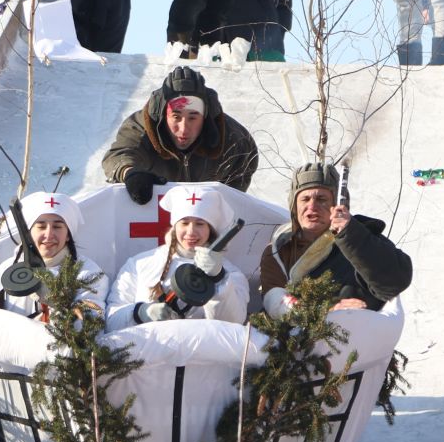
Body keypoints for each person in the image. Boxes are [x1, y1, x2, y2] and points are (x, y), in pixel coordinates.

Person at [257, 164, 413, 315]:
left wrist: (350, 234)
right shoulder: (278, 250)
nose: (312, 206)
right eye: (305, 199)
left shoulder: (358, 236)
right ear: (294, 206)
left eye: (321, 199)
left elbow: (395, 282)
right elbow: (275, 305)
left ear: (338, 205)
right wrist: (326, 312)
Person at [102, 65, 259, 201]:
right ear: (163, 115)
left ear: (205, 117)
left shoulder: (234, 139)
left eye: (193, 117)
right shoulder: (140, 128)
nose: (184, 129)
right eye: (176, 117)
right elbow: (119, 155)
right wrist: (131, 173)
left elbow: (239, 183)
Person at [107, 186, 249, 327]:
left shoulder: (230, 274)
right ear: (175, 226)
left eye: (200, 224)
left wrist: (218, 279)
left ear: (210, 230)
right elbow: (111, 321)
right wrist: (140, 313)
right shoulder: (138, 264)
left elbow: (233, 325)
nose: (191, 231)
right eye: (184, 223)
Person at [0, 191, 109, 319]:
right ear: (28, 233)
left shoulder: (89, 274)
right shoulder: (3, 273)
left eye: (57, 227)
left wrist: (57, 301)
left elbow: (92, 326)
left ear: (68, 235)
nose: (49, 235)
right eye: (41, 226)